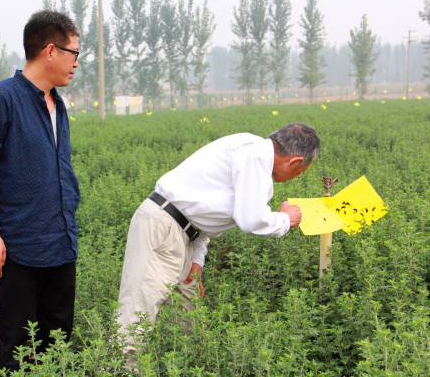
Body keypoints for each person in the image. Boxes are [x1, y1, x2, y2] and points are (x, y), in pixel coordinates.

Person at [116, 122, 320, 353]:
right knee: (136, 314)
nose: (296, 177)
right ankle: (118, 368)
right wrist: (285, 219)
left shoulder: (251, 153)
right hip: (163, 227)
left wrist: (196, 260)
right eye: (300, 172)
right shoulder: (255, 156)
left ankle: (185, 365)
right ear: (294, 161)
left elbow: (202, 214)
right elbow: (251, 220)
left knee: (187, 317)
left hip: (183, 233)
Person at [0, 10, 80, 372]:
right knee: (19, 352)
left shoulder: (57, 104)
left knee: (58, 347)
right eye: (74, 53)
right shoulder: (1, 100)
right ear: (50, 51)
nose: (76, 63)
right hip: (18, 250)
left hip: (61, 244)